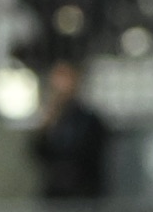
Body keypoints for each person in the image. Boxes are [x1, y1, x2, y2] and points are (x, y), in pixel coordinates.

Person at [31, 61, 108, 199]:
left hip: (84, 194)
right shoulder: (52, 119)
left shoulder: (89, 120)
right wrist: (45, 126)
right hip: (56, 196)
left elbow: (87, 152)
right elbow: (37, 152)